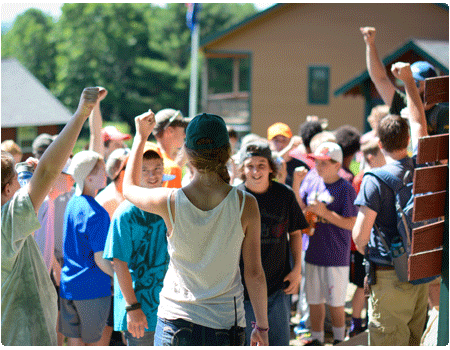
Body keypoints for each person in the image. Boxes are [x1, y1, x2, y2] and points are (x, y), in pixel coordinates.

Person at [123, 111, 269, 346]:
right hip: (225, 325)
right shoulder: (246, 204)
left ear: (188, 153)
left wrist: (140, 137)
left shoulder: (169, 201)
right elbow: (254, 274)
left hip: (175, 322)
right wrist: (262, 327)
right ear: (226, 152)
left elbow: (128, 188)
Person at [1, 87, 100, 346]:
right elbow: (47, 172)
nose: (24, 185)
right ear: (9, 189)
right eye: (17, 181)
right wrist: (81, 114)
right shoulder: (8, 222)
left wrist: (24, 173)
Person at [352, 61, 432, 346]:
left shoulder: (375, 179)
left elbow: (360, 236)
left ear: (379, 143)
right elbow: (419, 121)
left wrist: (364, 249)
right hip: (420, 272)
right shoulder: (424, 165)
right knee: (413, 339)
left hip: (389, 274)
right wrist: (409, 81)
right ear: (407, 139)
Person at [236, 139, 308, 346]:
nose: (255, 171)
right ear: (242, 168)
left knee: (278, 341)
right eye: (250, 166)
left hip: (278, 286)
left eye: (261, 165)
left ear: (270, 168)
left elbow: (295, 232)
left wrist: (297, 270)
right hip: (243, 290)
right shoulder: (234, 197)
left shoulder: (284, 195)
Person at [103, 142, 170, 346]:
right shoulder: (125, 212)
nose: (152, 175)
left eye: (157, 168)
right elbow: (119, 263)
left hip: (171, 307)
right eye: (145, 170)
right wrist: (132, 308)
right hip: (140, 310)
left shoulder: (171, 204)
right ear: (134, 172)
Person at [299, 142, 358, 346]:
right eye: (316, 161)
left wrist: (325, 213)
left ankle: (340, 339)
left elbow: (352, 223)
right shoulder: (311, 180)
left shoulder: (346, 188)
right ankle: (317, 339)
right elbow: (301, 211)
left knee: (336, 303)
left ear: (337, 164)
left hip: (335, 255)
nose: (318, 166)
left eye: (324, 162)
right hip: (312, 251)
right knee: (314, 302)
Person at [58, 150, 114, 346]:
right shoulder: (97, 213)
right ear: (89, 178)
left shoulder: (72, 204)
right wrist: (121, 278)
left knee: (74, 341)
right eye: (102, 171)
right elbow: (101, 259)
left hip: (68, 287)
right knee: (97, 342)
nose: (106, 174)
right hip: (92, 289)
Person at [360, 26, 449, 136]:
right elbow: (379, 79)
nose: (413, 87)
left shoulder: (443, 114)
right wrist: (370, 44)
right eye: (409, 81)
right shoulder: (404, 104)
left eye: (417, 83)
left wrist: (414, 119)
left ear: (432, 86)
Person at [152, 108, 189, 188]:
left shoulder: (147, 157)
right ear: (170, 131)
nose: (184, 135)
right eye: (183, 129)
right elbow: (169, 200)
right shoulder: (171, 169)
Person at [267, 122, 309, 187]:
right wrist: (289, 148)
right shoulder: (265, 165)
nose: (280, 144)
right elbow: (276, 159)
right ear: (269, 142)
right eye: (276, 140)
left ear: (290, 141)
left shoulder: (301, 166)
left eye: (284, 140)